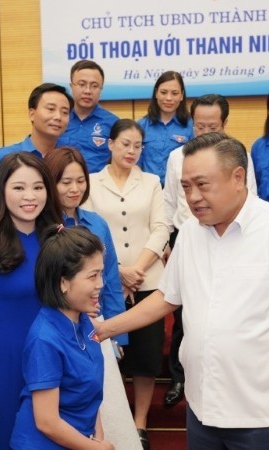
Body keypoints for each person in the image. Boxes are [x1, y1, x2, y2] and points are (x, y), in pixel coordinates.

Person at [97, 132, 269, 450]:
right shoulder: (190, 234)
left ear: (238, 177)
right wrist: (104, 329)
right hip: (201, 409)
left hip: (261, 417)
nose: (193, 196)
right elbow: (167, 297)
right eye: (185, 187)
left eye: (202, 184)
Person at [0, 152, 62, 448]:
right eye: (18, 188)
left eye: (38, 187)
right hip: (1, 365)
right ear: (0, 192)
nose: (29, 196)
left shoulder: (57, 241)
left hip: (50, 360)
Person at [161, 92, 257, 407]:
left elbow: (249, 198)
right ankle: (180, 375)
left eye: (211, 125)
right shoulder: (178, 156)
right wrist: (167, 242)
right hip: (187, 237)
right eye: (199, 126)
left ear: (224, 123)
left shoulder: (237, 154)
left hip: (230, 238)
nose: (204, 131)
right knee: (181, 310)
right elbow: (169, 201)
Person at [43, 147, 140, 448]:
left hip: (97, 329)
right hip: (60, 329)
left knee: (106, 409)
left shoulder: (97, 223)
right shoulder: (43, 227)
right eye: (64, 182)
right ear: (50, 183)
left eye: (80, 181)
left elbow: (109, 282)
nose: (74, 189)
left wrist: (116, 335)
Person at [82, 119, 169, 449]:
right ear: (110, 144)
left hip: (148, 281)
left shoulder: (151, 182)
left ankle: (140, 421)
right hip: (103, 281)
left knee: (147, 357)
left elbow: (160, 227)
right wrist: (118, 272)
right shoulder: (91, 182)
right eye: (125, 144)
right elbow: (88, 232)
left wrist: (138, 269)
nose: (131, 151)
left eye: (137, 146)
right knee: (108, 353)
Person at [10, 225, 114, 449]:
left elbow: (90, 396)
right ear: (63, 282)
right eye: (92, 276)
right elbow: (47, 422)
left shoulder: (83, 321)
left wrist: (98, 437)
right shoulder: (45, 339)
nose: (100, 284)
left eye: (101, 273)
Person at [0, 83, 73, 204]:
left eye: (65, 112)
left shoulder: (69, 160)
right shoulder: (1, 157)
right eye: (51, 109)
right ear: (32, 114)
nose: (58, 117)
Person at [57, 60, 119, 173]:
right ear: (71, 86)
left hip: (98, 186)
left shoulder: (113, 123)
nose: (87, 91)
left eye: (94, 86)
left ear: (101, 89)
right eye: (82, 84)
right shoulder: (58, 119)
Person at [138, 71, 193, 185]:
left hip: (179, 190)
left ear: (181, 95)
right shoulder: (141, 126)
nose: (168, 98)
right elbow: (135, 163)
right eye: (163, 92)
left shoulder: (191, 127)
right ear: (156, 93)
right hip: (147, 189)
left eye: (174, 93)